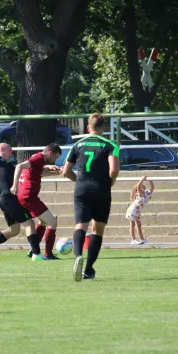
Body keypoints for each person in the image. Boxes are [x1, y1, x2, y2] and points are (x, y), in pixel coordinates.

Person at [61, 113, 120, 281]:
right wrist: (111, 182)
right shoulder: (110, 145)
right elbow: (114, 170)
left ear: (88, 127)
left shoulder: (78, 144)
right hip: (101, 189)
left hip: (82, 188)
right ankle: (88, 269)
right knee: (97, 230)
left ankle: (78, 255)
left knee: (80, 226)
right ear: (104, 127)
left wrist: (78, 181)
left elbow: (65, 171)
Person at [10, 143, 62, 259]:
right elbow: (19, 166)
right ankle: (48, 254)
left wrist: (56, 172)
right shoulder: (38, 158)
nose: (55, 160)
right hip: (29, 196)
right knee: (53, 222)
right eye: (55, 157)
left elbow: (40, 173)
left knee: (43, 222)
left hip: (27, 196)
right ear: (50, 153)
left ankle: (34, 250)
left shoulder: (39, 159)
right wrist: (14, 185)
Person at [125, 175, 155, 245]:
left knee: (139, 225)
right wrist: (142, 179)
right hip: (133, 210)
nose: (142, 186)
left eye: (143, 185)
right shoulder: (140, 194)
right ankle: (133, 239)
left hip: (137, 211)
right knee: (133, 225)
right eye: (141, 186)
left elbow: (152, 188)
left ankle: (142, 239)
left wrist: (150, 180)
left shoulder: (146, 193)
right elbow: (138, 185)